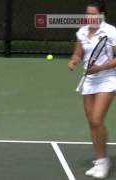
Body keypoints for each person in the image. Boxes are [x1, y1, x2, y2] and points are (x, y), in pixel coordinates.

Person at [68, 0, 116, 178]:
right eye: (87, 14)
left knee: (97, 119)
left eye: (93, 14)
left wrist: (101, 68)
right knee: (92, 122)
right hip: (89, 80)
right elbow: (78, 53)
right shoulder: (82, 31)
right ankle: (99, 160)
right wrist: (73, 61)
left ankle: (104, 162)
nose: (89, 17)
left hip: (108, 78)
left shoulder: (111, 32)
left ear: (101, 15)